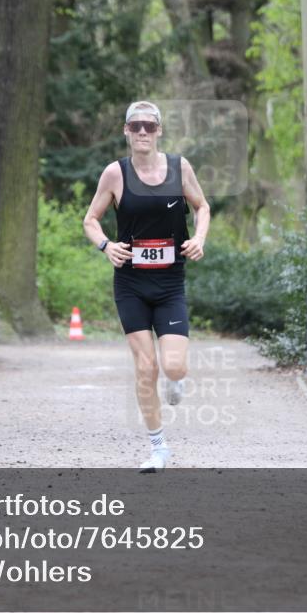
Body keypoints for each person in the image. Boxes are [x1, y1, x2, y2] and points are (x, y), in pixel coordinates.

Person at [82, 101, 211, 472]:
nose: (142, 132)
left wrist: (199, 238)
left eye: (149, 127)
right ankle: (158, 448)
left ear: (158, 131)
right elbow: (91, 219)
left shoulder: (179, 167)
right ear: (126, 131)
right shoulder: (115, 174)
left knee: (172, 368)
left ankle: (177, 381)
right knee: (145, 367)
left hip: (170, 284)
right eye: (135, 126)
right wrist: (106, 245)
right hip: (131, 284)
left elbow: (202, 207)